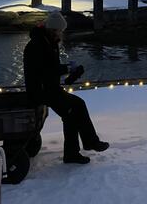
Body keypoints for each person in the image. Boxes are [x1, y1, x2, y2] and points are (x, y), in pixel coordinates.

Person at [23, 11, 109, 164]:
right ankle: (88, 143)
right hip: (41, 91)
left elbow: (51, 67)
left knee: (72, 113)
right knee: (76, 106)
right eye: (60, 30)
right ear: (53, 29)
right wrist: (67, 69)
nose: (62, 33)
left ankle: (74, 152)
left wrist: (70, 70)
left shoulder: (48, 41)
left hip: (49, 89)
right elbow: (44, 71)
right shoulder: (37, 45)